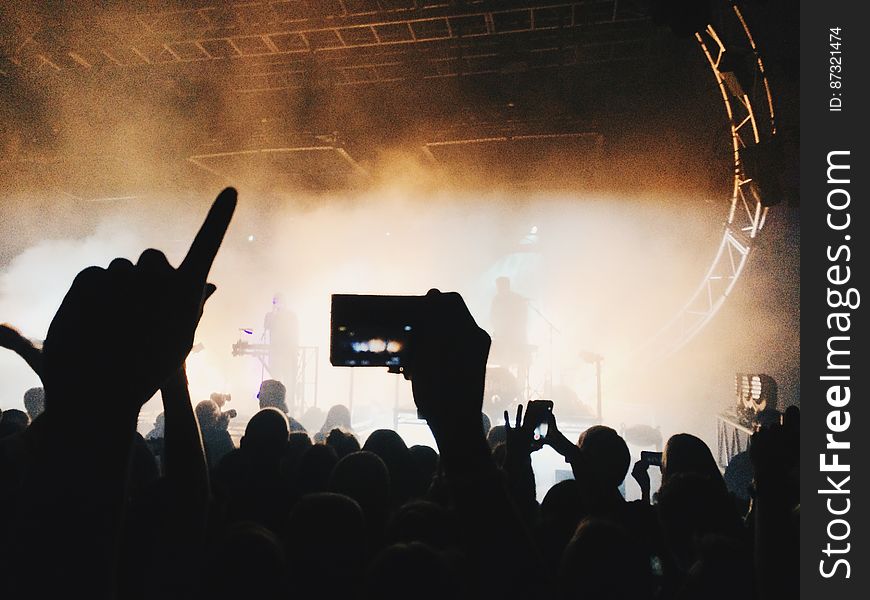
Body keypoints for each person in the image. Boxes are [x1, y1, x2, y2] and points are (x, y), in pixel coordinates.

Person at [263, 294, 299, 414]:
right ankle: (275, 408)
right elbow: (266, 327)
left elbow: (295, 331)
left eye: (278, 302)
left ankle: (290, 409)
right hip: (275, 354)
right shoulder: (270, 315)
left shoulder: (291, 316)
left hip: (288, 353)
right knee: (275, 380)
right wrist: (273, 315)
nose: (276, 304)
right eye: (274, 302)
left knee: (289, 381)